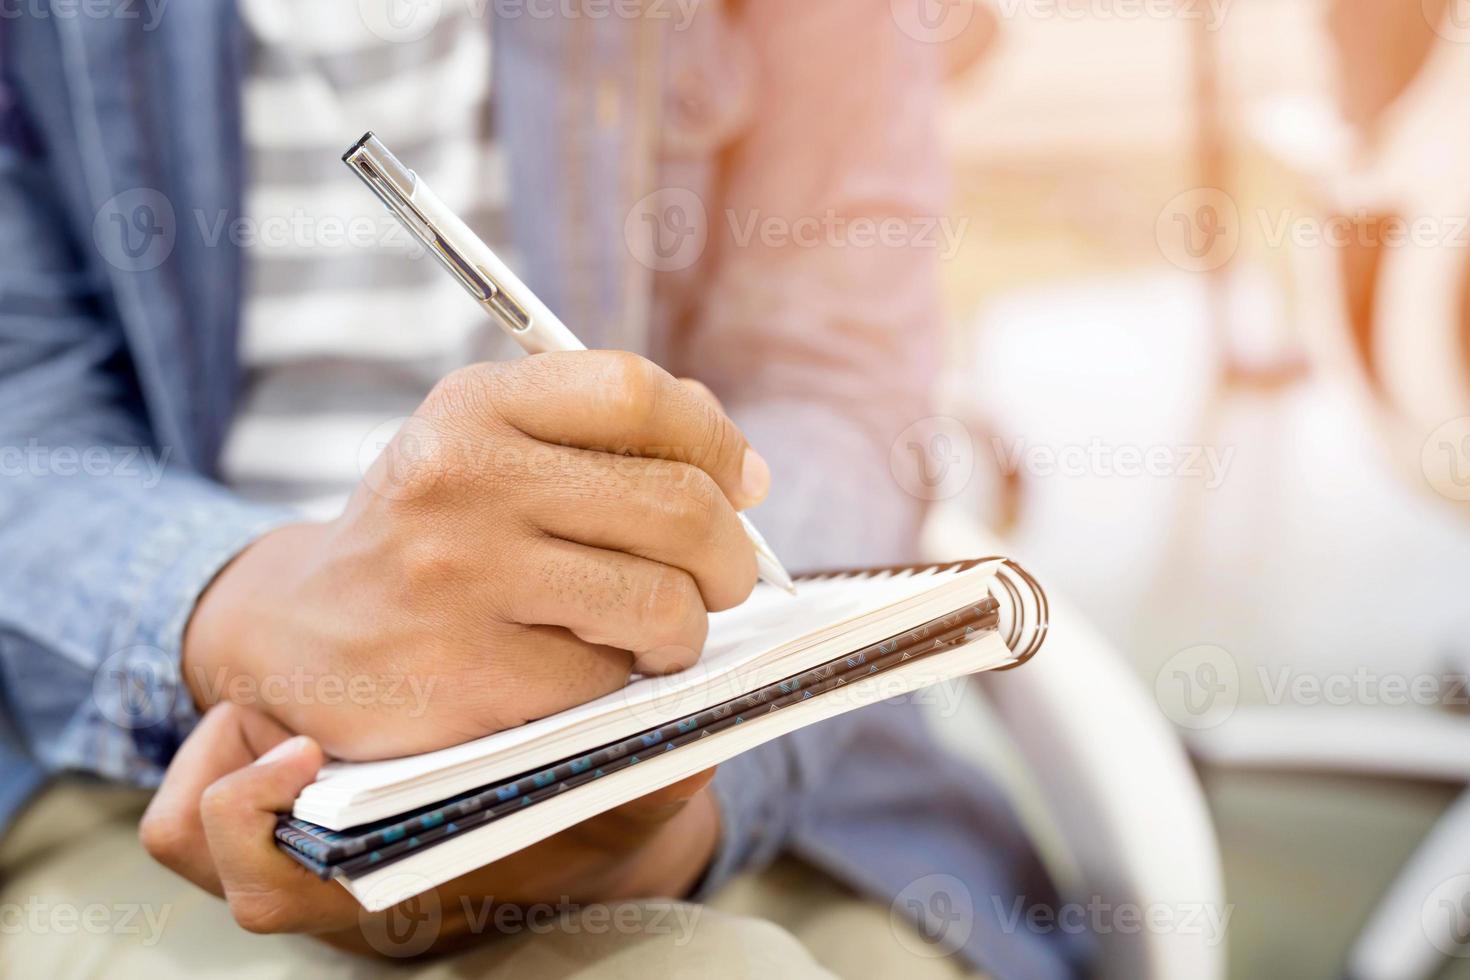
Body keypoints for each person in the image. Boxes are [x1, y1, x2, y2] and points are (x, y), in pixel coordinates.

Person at [0, 2, 1083, 978]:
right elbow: (21, 408)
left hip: (779, 793)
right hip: (141, 761)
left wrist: (683, 783)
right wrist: (247, 609)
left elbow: (834, 383)